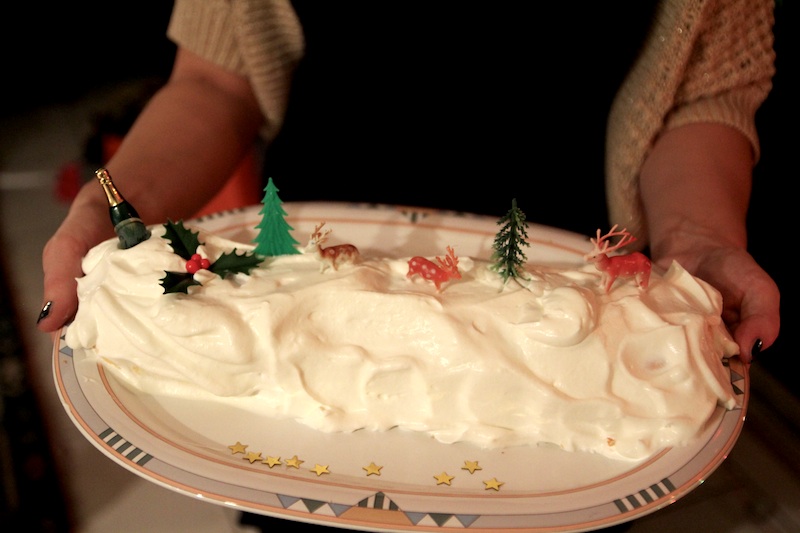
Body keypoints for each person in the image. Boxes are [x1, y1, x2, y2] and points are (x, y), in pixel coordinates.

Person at [37, 0, 779, 364]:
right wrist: (111, 211)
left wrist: (700, 240)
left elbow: (702, 94)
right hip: (313, 305)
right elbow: (214, 80)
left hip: (567, 321)